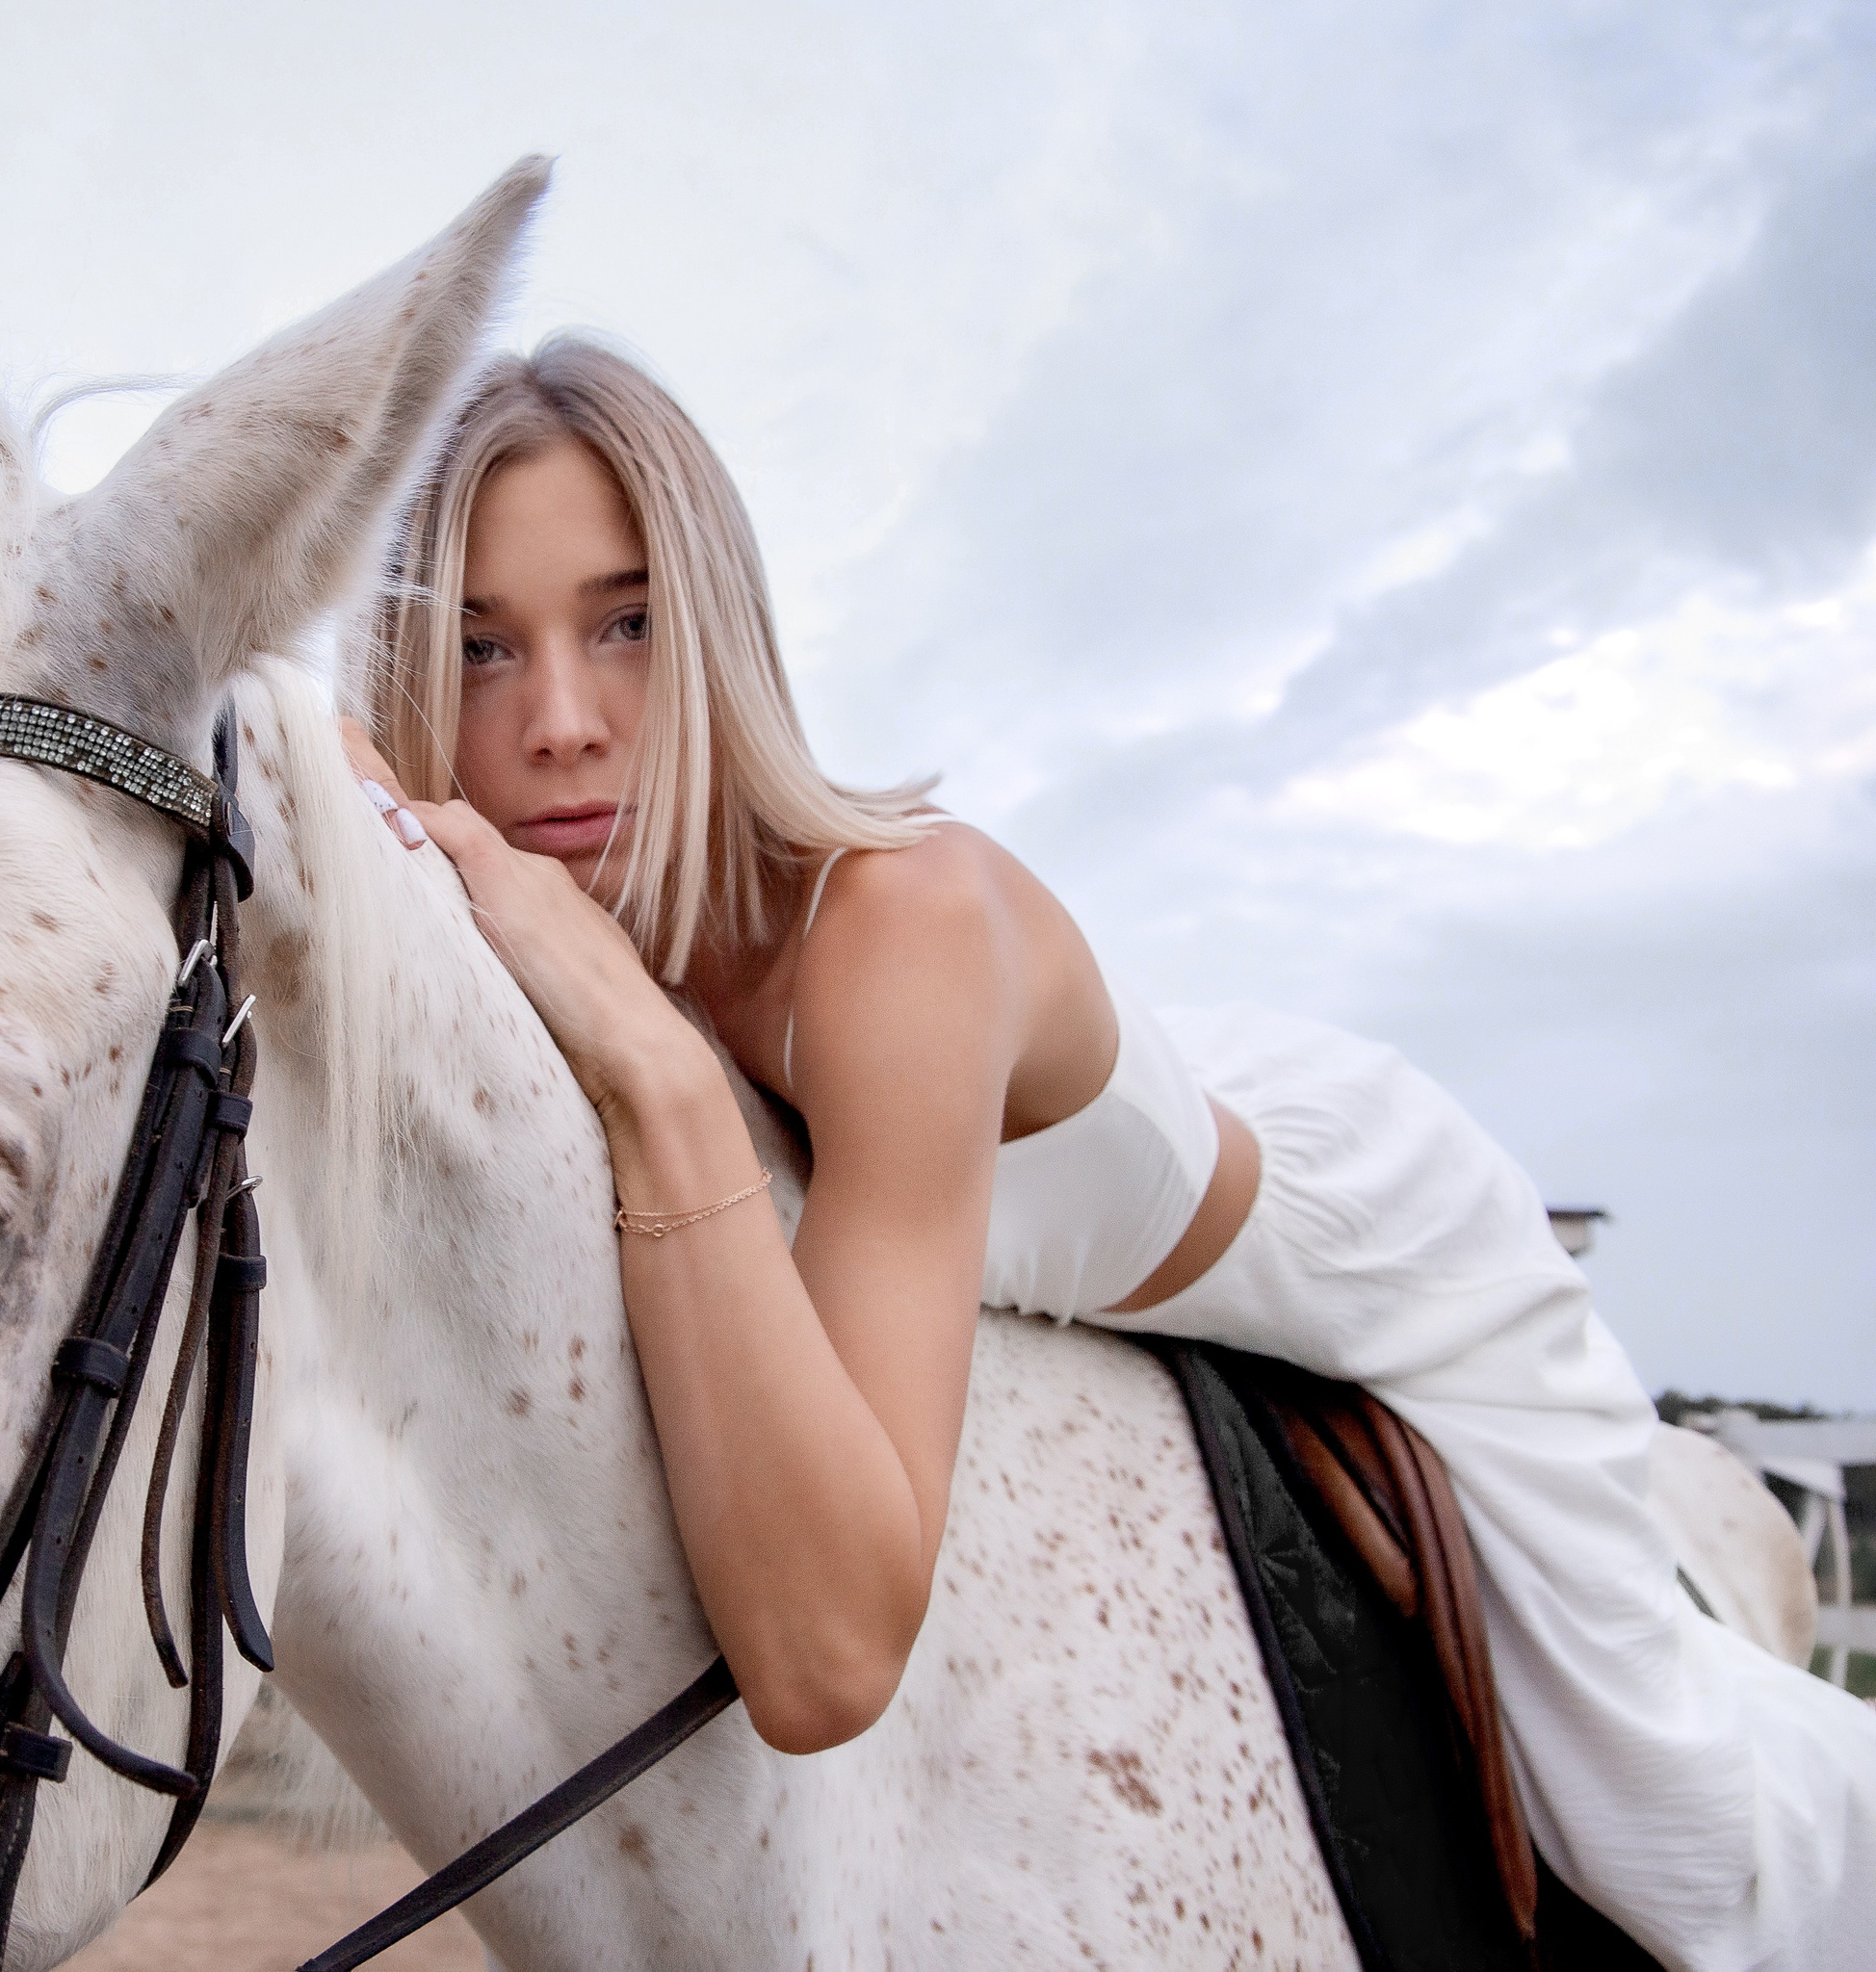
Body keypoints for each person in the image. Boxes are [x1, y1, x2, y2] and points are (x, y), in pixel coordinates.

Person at [338, 335, 1875, 1971]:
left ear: (721, 634)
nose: (560, 722)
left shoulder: (893, 928)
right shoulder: (551, 905)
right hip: (1110, 1112)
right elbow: (261, 779)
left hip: (1371, 1230)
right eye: (483, 650)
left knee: (1675, 1838)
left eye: (628, 623)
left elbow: (830, 1658)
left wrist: (656, 1065)